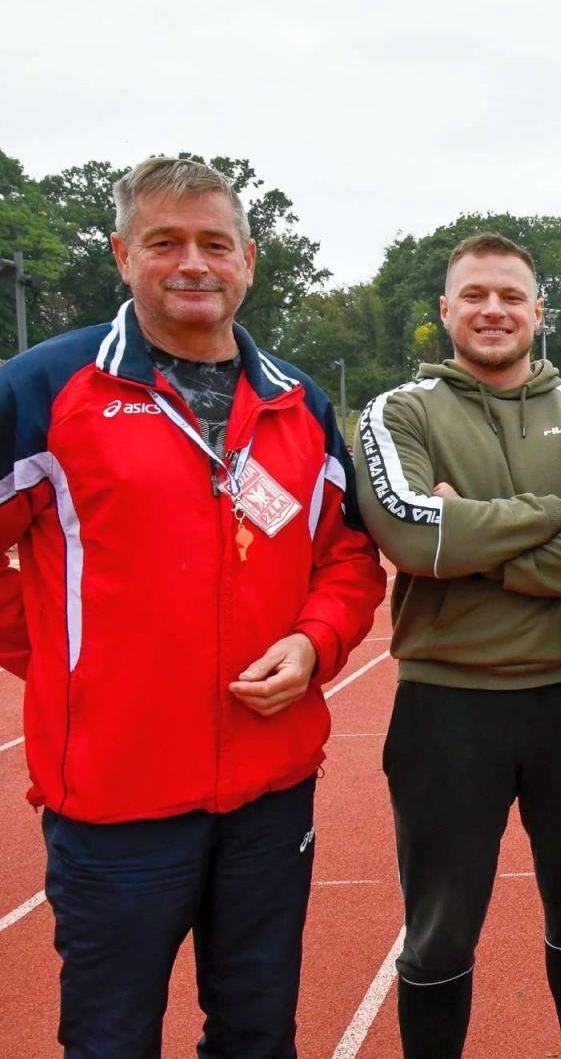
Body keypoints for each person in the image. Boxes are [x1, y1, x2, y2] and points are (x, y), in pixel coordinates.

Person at [0, 156, 386, 1058]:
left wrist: (316, 641)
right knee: (110, 1038)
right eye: (165, 242)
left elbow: (349, 554)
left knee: (256, 1034)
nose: (193, 264)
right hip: (113, 802)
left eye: (215, 243)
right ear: (122, 254)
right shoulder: (45, 390)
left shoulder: (297, 400)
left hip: (270, 792)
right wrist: (61, 659)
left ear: (249, 259)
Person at [353, 232, 561, 1059]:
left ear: (539, 313)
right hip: (447, 706)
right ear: (444, 311)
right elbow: (411, 538)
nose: (492, 310)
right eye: (474, 295)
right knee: (440, 928)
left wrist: (469, 534)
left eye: (511, 296)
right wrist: (551, 513)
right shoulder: (398, 412)